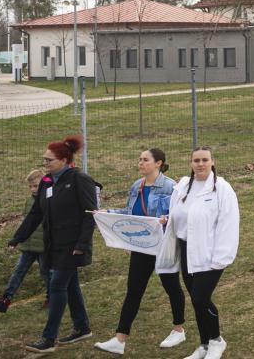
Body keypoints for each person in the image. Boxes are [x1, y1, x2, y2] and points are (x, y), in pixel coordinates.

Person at [9, 135, 99, 354]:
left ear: (64, 160)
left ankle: (49, 338)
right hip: (53, 245)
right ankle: (82, 327)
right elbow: (36, 214)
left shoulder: (79, 179)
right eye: (44, 160)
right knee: (70, 285)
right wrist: (18, 237)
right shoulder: (47, 182)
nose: (45, 164)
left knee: (57, 285)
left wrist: (81, 244)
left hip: (73, 245)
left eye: (49, 160)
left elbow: (91, 215)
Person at [94, 149, 187, 355]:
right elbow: (128, 214)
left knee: (171, 286)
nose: (141, 163)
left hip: (164, 246)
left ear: (158, 163)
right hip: (141, 247)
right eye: (140, 159)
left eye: (145, 160)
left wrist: (167, 219)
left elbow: (181, 214)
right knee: (134, 290)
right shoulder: (137, 186)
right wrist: (106, 213)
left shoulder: (171, 187)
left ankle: (178, 329)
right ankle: (120, 339)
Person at [156, 147, 239, 359]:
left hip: (210, 252)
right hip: (186, 250)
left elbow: (228, 223)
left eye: (204, 160)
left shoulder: (221, 188)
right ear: (191, 163)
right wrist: (169, 219)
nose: (200, 164)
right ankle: (203, 345)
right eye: (196, 160)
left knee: (201, 298)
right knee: (195, 299)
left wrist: (220, 257)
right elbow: (178, 213)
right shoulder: (184, 186)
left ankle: (217, 341)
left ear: (212, 162)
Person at [0, 169, 49, 314]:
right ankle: (5, 300)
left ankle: (51, 297)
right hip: (27, 245)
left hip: (43, 246)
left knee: (46, 273)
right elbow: (27, 222)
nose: (33, 189)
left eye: (36, 186)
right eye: (30, 186)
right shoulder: (28, 201)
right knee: (18, 272)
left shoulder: (48, 200)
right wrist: (18, 239)